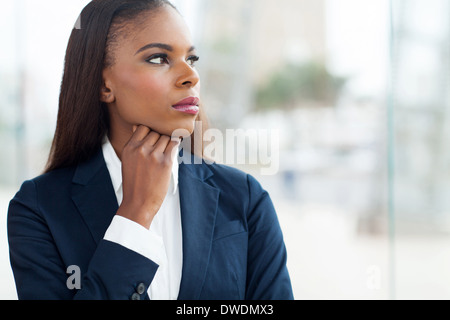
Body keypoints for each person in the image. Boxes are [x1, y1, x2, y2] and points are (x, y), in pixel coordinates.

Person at [7, 0, 293, 300]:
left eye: (191, 58)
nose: (191, 76)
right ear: (104, 85)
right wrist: (136, 213)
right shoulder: (38, 209)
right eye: (159, 58)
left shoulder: (246, 198)